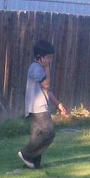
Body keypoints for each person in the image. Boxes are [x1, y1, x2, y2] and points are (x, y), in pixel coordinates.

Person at [19, 39, 67, 168]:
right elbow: (46, 84)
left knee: (37, 137)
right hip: (38, 108)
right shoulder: (36, 68)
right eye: (48, 58)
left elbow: (47, 91)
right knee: (49, 133)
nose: (50, 60)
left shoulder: (39, 68)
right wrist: (47, 68)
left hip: (39, 107)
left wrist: (58, 104)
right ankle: (26, 153)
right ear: (40, 57)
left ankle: (33, 163)